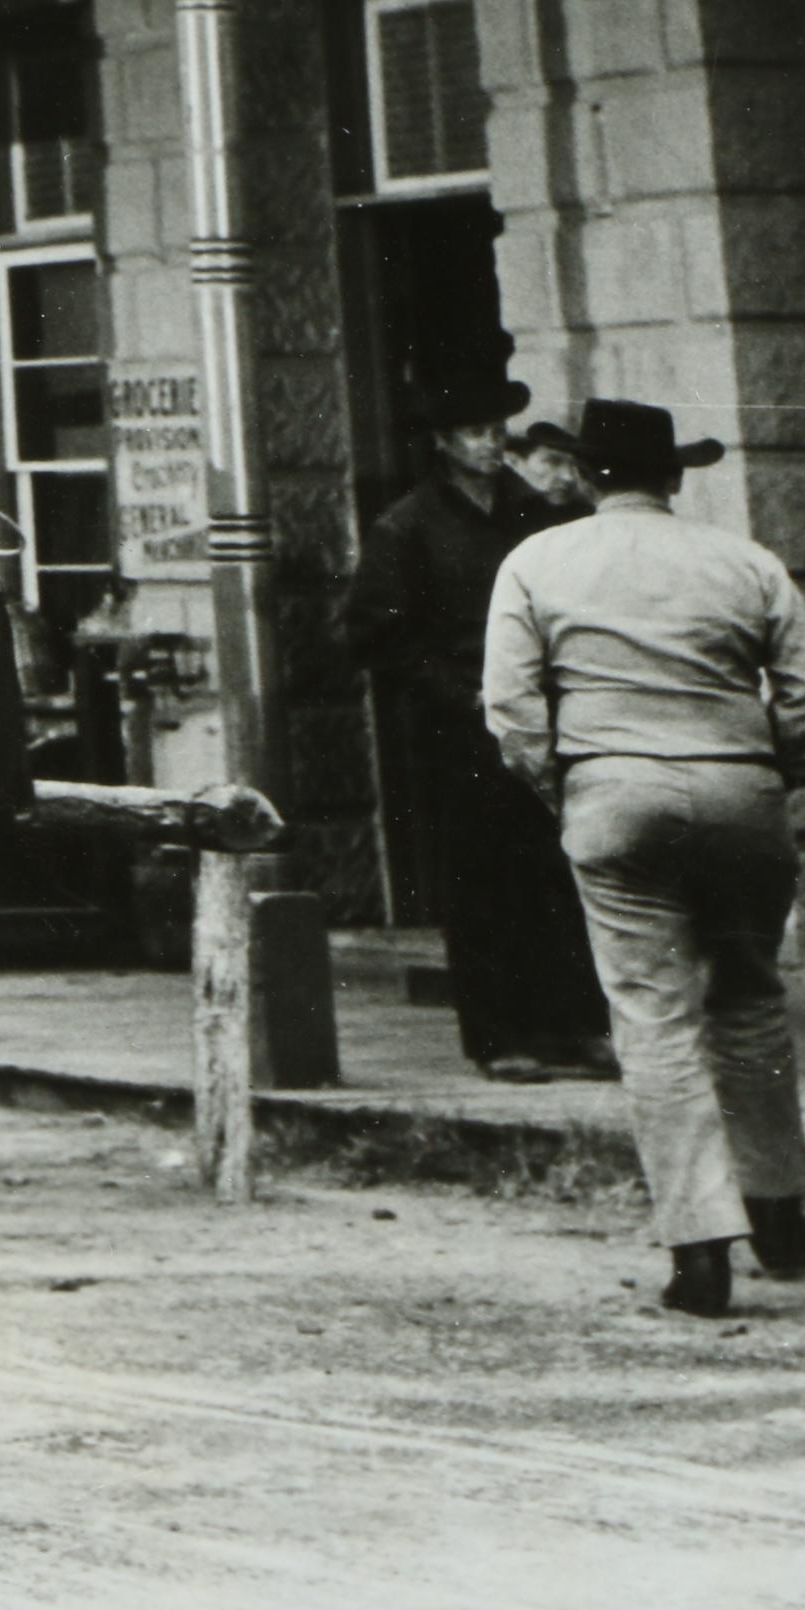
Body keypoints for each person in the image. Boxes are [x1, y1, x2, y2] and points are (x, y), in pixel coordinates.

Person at [484, 398, 805, 1318]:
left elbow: (513, 710)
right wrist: (772, 772)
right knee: (751, 997)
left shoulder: (536, 561)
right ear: (675, 476)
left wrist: (570, 791)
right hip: (741, 790)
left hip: (612, 791)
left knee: (653, 1015)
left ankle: (700, 1247)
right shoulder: (744, 560)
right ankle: (781, 1214)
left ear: (585, 477)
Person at [342, 366, 612, 1082]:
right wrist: (458, 696)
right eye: (473, 433)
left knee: (560, 874)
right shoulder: (408, 527)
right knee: (483, 885)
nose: (490, 445)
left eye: (497, 432)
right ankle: (501, 1036)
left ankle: (577, 1028)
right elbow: (377, 636)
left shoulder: (538, 515)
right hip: (460, 732)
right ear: (443, 443)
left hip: (549, 721)